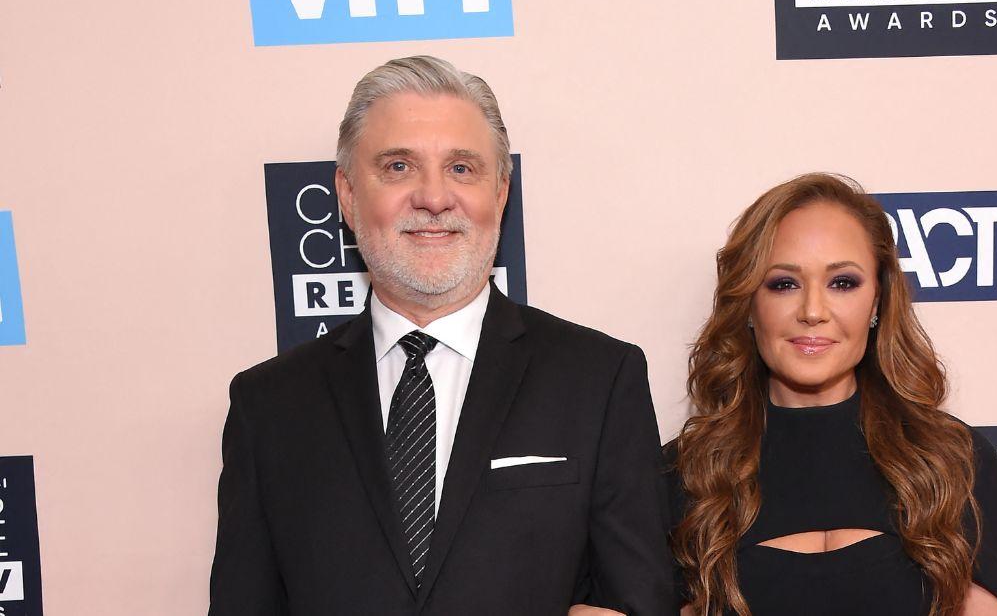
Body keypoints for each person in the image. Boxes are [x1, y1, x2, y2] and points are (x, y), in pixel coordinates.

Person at [209, 56, 674, 616]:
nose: (433, 198)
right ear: (349, 196)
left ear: (501, 193)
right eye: (399, 166)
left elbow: (639, 602)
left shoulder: (600, 381)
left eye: (461, 168)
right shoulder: (269, 406)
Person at [666, 173, 997, 616]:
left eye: (843, 283)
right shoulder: (685, 476)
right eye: (784, 283)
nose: (813, 311)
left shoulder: (953, 461)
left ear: (878, 301)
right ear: (749, 304)